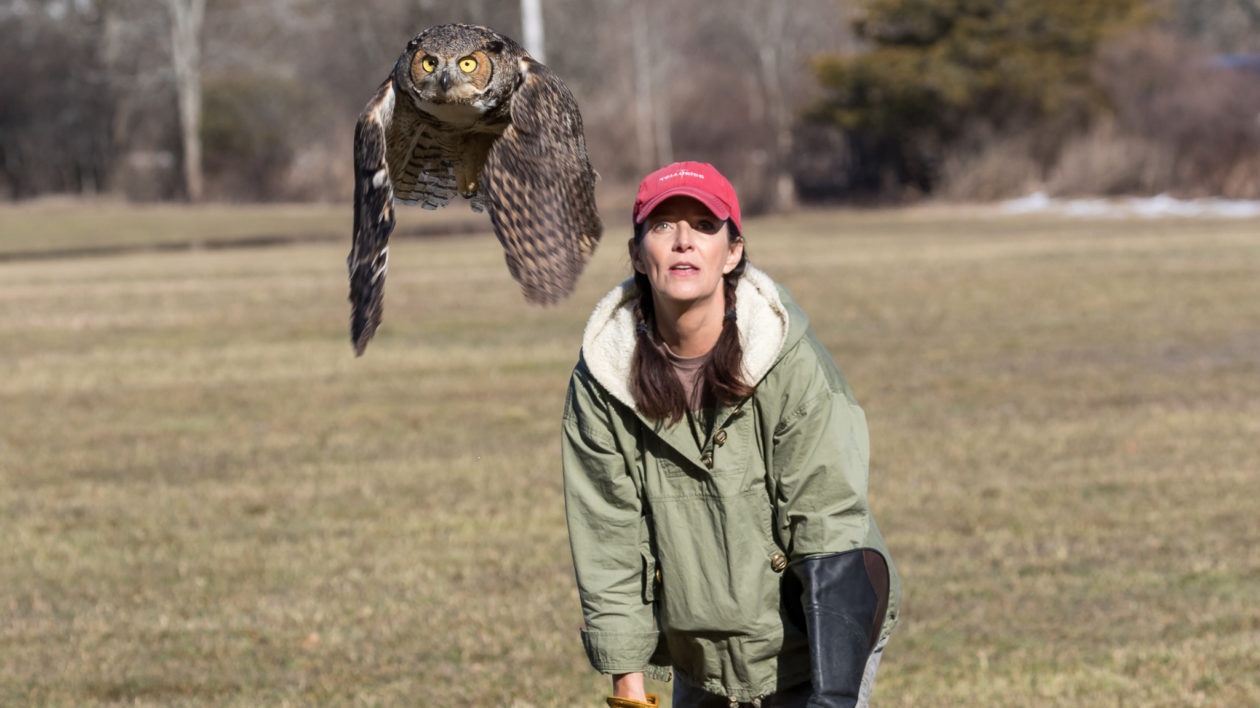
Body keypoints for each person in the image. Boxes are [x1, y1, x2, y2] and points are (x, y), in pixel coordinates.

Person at [561, 162, 901, 708]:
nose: (683, 242)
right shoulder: (604, 377)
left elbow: (828, 525)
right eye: (662, 226)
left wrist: (833, 696)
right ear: (636, 255)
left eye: (702, 224)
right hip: (703, 651)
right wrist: (628, 690)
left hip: (814, 636)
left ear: (734, 251)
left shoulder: (789, 362)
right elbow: (609, 538)